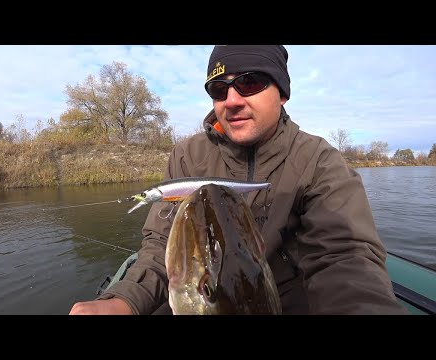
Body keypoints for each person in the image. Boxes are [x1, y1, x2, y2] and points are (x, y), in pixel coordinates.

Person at [69, 45, 408, 315]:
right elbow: (161, 246)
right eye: (219, 88)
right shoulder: (187, 155)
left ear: (282, 92)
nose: (232, 100)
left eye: (250, 82)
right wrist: (124, 301)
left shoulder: (318, 162)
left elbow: (344, 260)